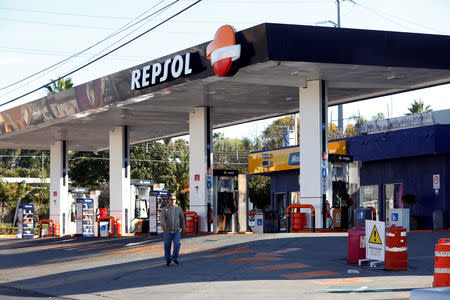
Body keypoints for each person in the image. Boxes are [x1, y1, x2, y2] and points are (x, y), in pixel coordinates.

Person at [160, 194, 185, 266]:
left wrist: (183, 227)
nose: (173, 201)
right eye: (171, 199)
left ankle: (174, 258)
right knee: (167, 246)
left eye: (174, 199)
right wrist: (163, 224)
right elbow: (162, 218)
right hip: (167, 231)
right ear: (168, 200)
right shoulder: (165, 209)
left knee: (177, 244)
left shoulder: (179, 208)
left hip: (176, 231)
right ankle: (168, 260)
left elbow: (182, 219)